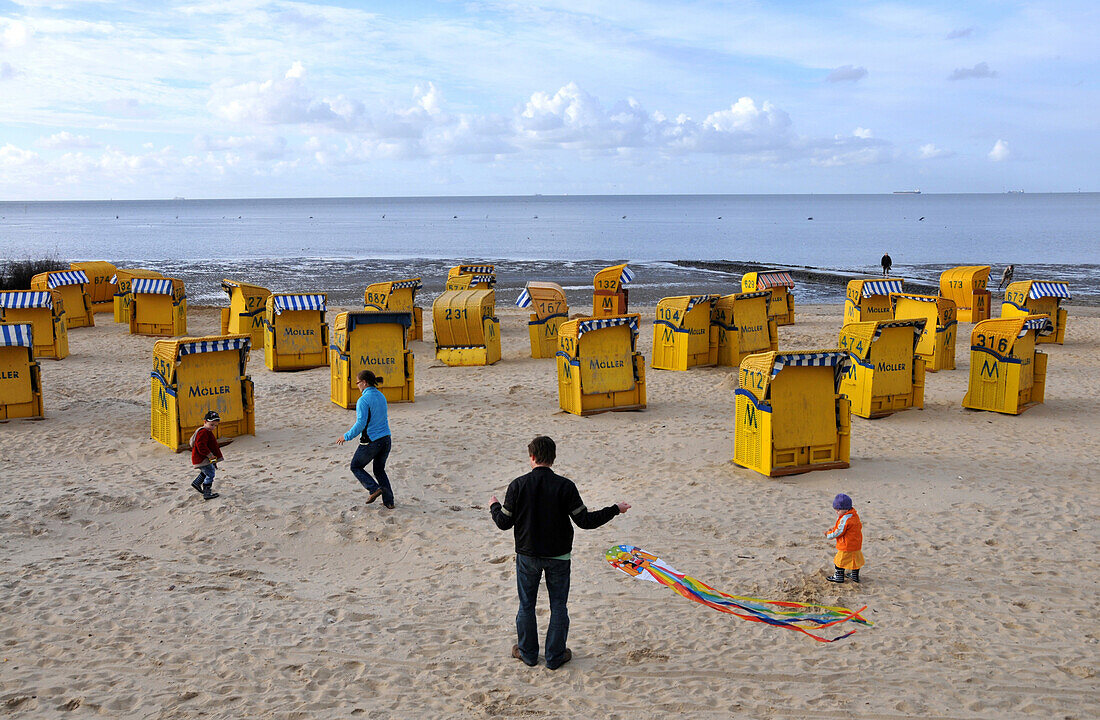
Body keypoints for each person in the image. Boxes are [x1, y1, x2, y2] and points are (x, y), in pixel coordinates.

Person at [490, 436, 630, 670]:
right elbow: (585, 521)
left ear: (532, 457)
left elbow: (503, 523)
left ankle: (528, 654)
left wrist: (494, 505)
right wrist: (615, 509)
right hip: (559, 556)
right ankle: (555, 657)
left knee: (526, 605)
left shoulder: (518, 484)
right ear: (553, 458)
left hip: (528, 555)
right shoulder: (565, 486)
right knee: (558, 606)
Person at [336, 370, 394, 509]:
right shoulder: (381, 396)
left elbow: (361, 424)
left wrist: (346, 436)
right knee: (379, 470)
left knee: (355, 466)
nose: (357, 386)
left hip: (372, 441)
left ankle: (373, 489)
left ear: (364, 382)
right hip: (386, 439)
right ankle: (389, 502)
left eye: (357, 382)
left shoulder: (363, 400)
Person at [189, 410, 230, 500]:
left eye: (215, 425)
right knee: (210, 473)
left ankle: (196, 483)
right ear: (205, 422)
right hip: (203, 458)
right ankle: (207, 493)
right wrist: (209, 455)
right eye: (212, 424)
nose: (213, 427)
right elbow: (201, 446)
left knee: (207, 471)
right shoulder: (203, 432)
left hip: (204, 458)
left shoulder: (207, 431)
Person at [824, 493, 863, 583]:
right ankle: (854, 575)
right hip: (856, 544)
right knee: (855, 560)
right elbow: (847, 529)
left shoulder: (845, 519)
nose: (837, 512)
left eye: (838, 510)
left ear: (845, 509)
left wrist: (828, 534)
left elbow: (839, 532)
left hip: (846, 545)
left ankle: (838, 577)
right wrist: (834, 528)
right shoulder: (854, 515)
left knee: (839, 561)